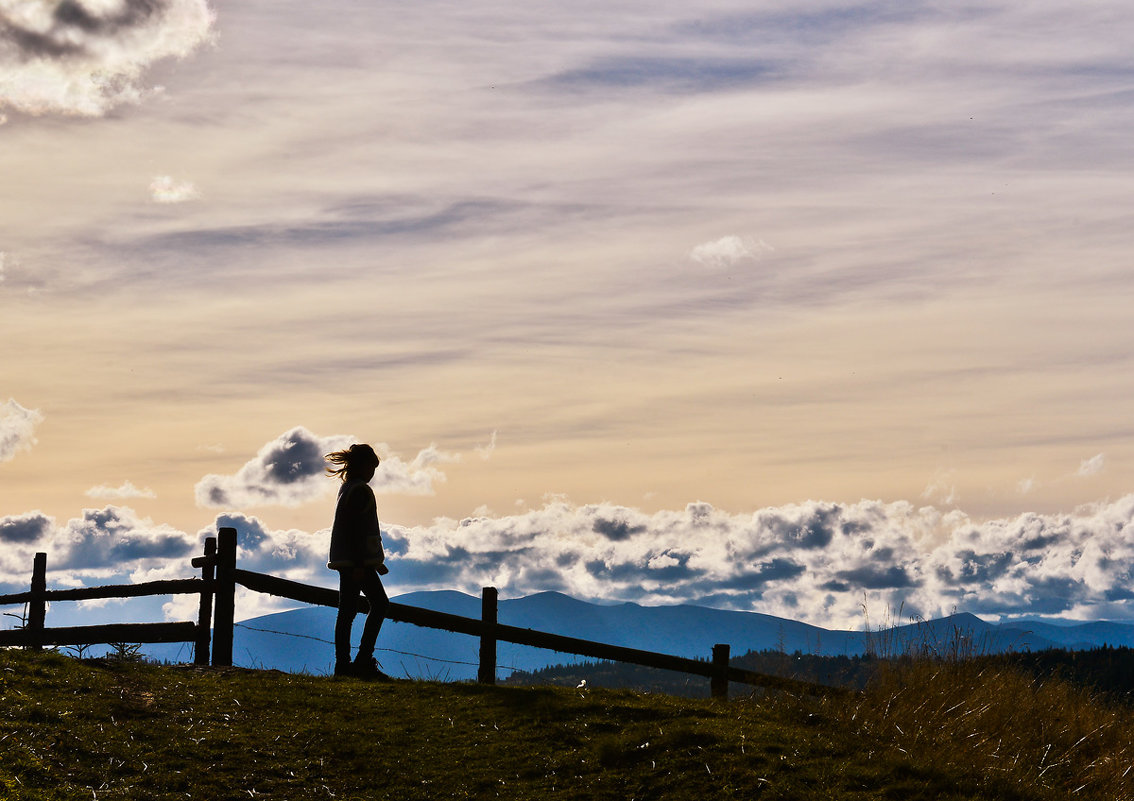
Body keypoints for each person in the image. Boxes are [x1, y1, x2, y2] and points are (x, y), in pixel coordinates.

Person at [326, 443, 391, 679]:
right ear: (364, 466)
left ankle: (344, 665)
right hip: (356, 564)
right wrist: (362, 564)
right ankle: (361, 661)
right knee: (380, 604)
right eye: (371, 467)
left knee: (347, 612)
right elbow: (357, 530)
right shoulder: (360, 490)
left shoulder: (347, 488)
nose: (372, 473)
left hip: (349, 562)